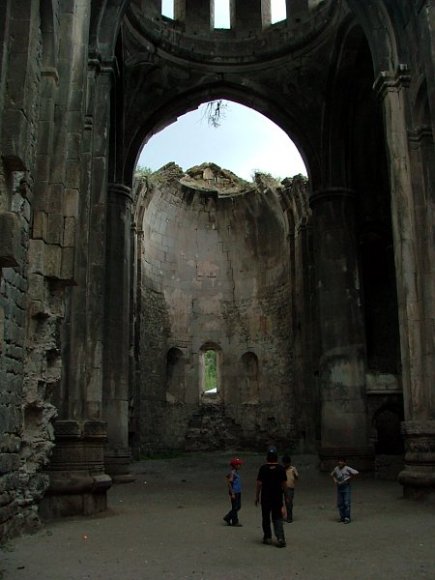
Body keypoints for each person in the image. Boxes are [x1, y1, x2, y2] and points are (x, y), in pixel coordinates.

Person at [255, 446, 287, 547]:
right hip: (277, 496)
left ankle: (267, 537)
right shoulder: (281, 469)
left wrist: (257, 496)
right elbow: (284, 484)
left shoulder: (263, 468)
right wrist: (286, 495)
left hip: (266, 496)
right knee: (277, 517)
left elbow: (259, 483)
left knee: (266, 517)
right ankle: (280, 537)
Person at [330, 457, 359, 523]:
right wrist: (335, 480)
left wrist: (349, 478)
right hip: (339, 487)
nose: (340, 462)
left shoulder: (347, 468)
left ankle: (347, 517)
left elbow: (356, 473)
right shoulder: (336, 468)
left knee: (346, 502)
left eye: (342, 461)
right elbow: (332, 474)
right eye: (339, 461)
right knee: (340, 503)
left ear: (344, 463)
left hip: (346, 487)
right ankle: (342, 517)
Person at [223, 457, 243, 527]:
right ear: (235, 465)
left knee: (238, 506)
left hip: (238, 491)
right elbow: (229, 483)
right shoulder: (233, 473)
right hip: (235, 492)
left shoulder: (235, 472)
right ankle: (234, 521)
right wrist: (232, 493)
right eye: (238, 464)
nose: (240, 466)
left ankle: (228, 517)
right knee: (235, 507)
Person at [282, 455, 299, 522]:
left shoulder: (293, 469)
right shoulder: (282, 469)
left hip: (290, 488)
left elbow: (297, 477)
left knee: (289, 502)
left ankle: (289, 517)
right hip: (283, 487)